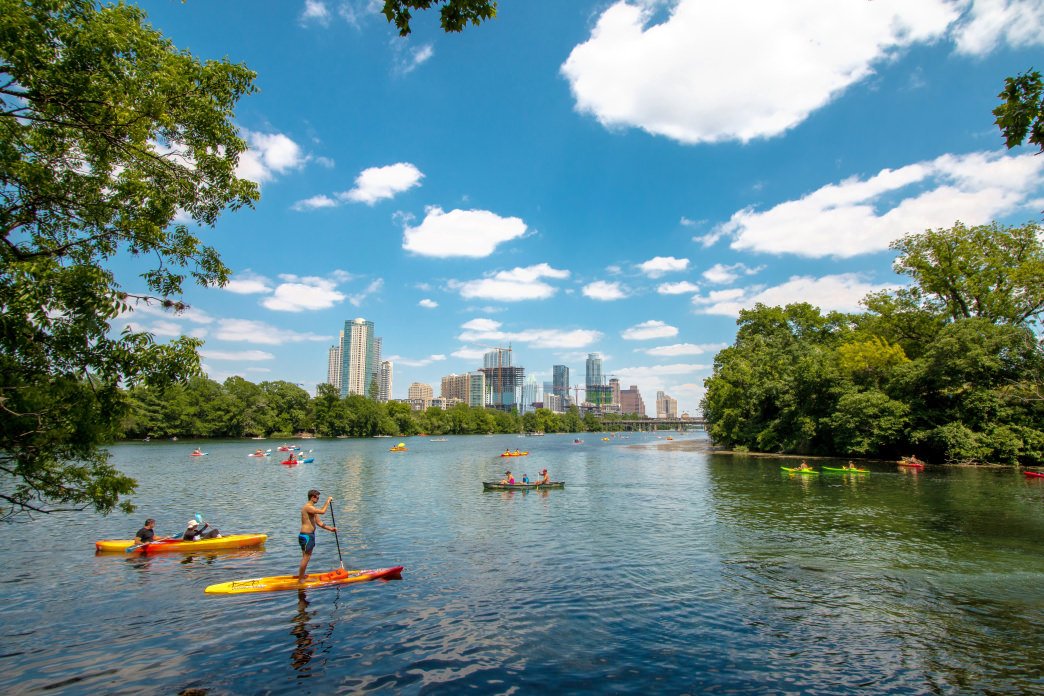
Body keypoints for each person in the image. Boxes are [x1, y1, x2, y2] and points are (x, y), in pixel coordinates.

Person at [298, 489, 337, 580]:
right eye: (317, 497)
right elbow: (323, 511)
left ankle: (302, 576)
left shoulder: (312, 510)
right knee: (306, 558)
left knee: (305, 557)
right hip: (307, 536)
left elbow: (319, 523)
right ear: (312, 497)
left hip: (308, 535)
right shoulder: (308, 507)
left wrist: (331, 529)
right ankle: (300, 579)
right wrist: (327, 501)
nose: (318, 499)